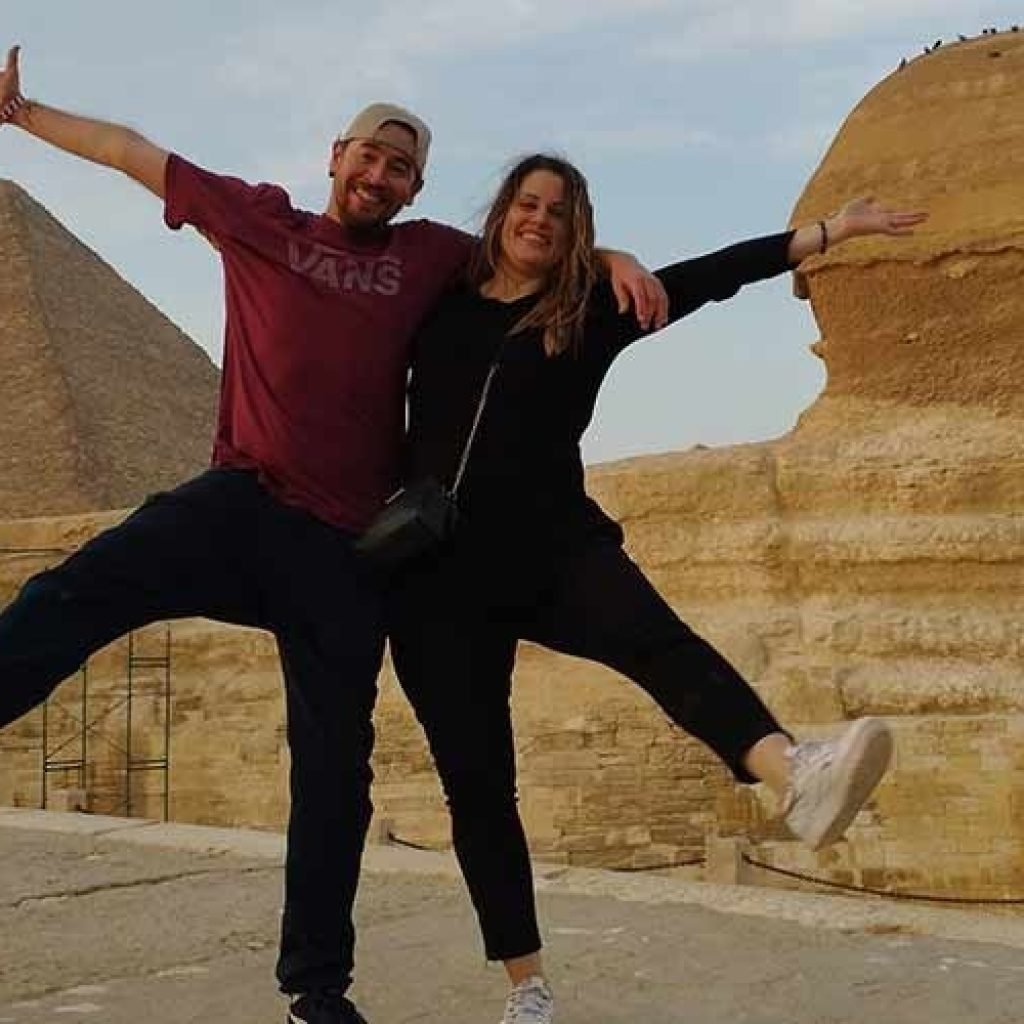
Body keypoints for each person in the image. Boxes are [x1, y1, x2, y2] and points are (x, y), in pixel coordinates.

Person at [0, 48, 663, 1024]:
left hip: (345, 549)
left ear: (415, 187)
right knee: (75, 591)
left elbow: (534, 248)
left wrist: (612, 258)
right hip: (239, 504)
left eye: (400, 167)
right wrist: (22, 112)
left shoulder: (431, 254)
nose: (379, 175)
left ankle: (316, 990)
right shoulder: (259, 219)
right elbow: (130, 150)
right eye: (369, 156)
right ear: (335, 155)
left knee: (333, 776)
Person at [386, 153, 927, 1024]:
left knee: (659, 645)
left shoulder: (589, 313)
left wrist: (823, 235)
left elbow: (709, 278)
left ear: (575, 230)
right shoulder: (439, 294)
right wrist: (610, 252)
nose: (539, 220)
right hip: (435, 577)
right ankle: (528, 990)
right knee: (479, 787)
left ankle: (795, 772)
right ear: (501, 213)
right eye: (527, 204)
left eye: (559, 214)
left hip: (553, 548)